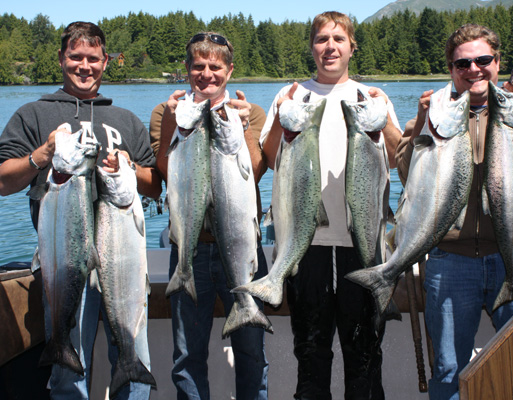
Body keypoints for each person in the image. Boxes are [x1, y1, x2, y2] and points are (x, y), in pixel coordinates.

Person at [395, 23, 513, 400]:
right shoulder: (434, 114)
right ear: (451, 69)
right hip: (449, 262)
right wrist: (420, 127)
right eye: (463, 64)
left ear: (497, 62)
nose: (474, 69)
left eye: (483, 60)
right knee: (447, 369)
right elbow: (405, 172)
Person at [0, 21, 161, 399]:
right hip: (66, 263)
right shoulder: (32, 114)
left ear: (106, 62)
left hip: (121, 258)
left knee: (135, 364)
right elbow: (4, 180)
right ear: (61, 59)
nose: (84, 66)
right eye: (76, 57)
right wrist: (41, 155)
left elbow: (154, 186)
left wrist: (130, 168)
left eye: (93, 58)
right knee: (70, 378)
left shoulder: (126, 120)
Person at [260, 11, 403, 400]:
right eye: (322, 39)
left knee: (365, 357)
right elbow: (270, 155)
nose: (330, 47)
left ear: (352, 47)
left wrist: (384, 119)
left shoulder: (373, 98)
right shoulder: (289, 97)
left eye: (338, 39)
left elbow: (398, 158)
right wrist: (281, 121)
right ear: (311, 47)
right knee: (311, 355)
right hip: (306, 247)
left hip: (364, 247)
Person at [149, 31, 269, 400]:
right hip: (192, 251)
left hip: (242, 246)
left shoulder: (250, 113)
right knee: (187, 354)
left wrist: (246, 127)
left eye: (215, 67)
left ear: (229, 71)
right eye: (198, 66)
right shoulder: (165, 112)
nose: (206, 74)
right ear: (187, 70)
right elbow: (167, 169)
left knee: (252, 352)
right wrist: (172, 121)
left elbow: (255, 168)